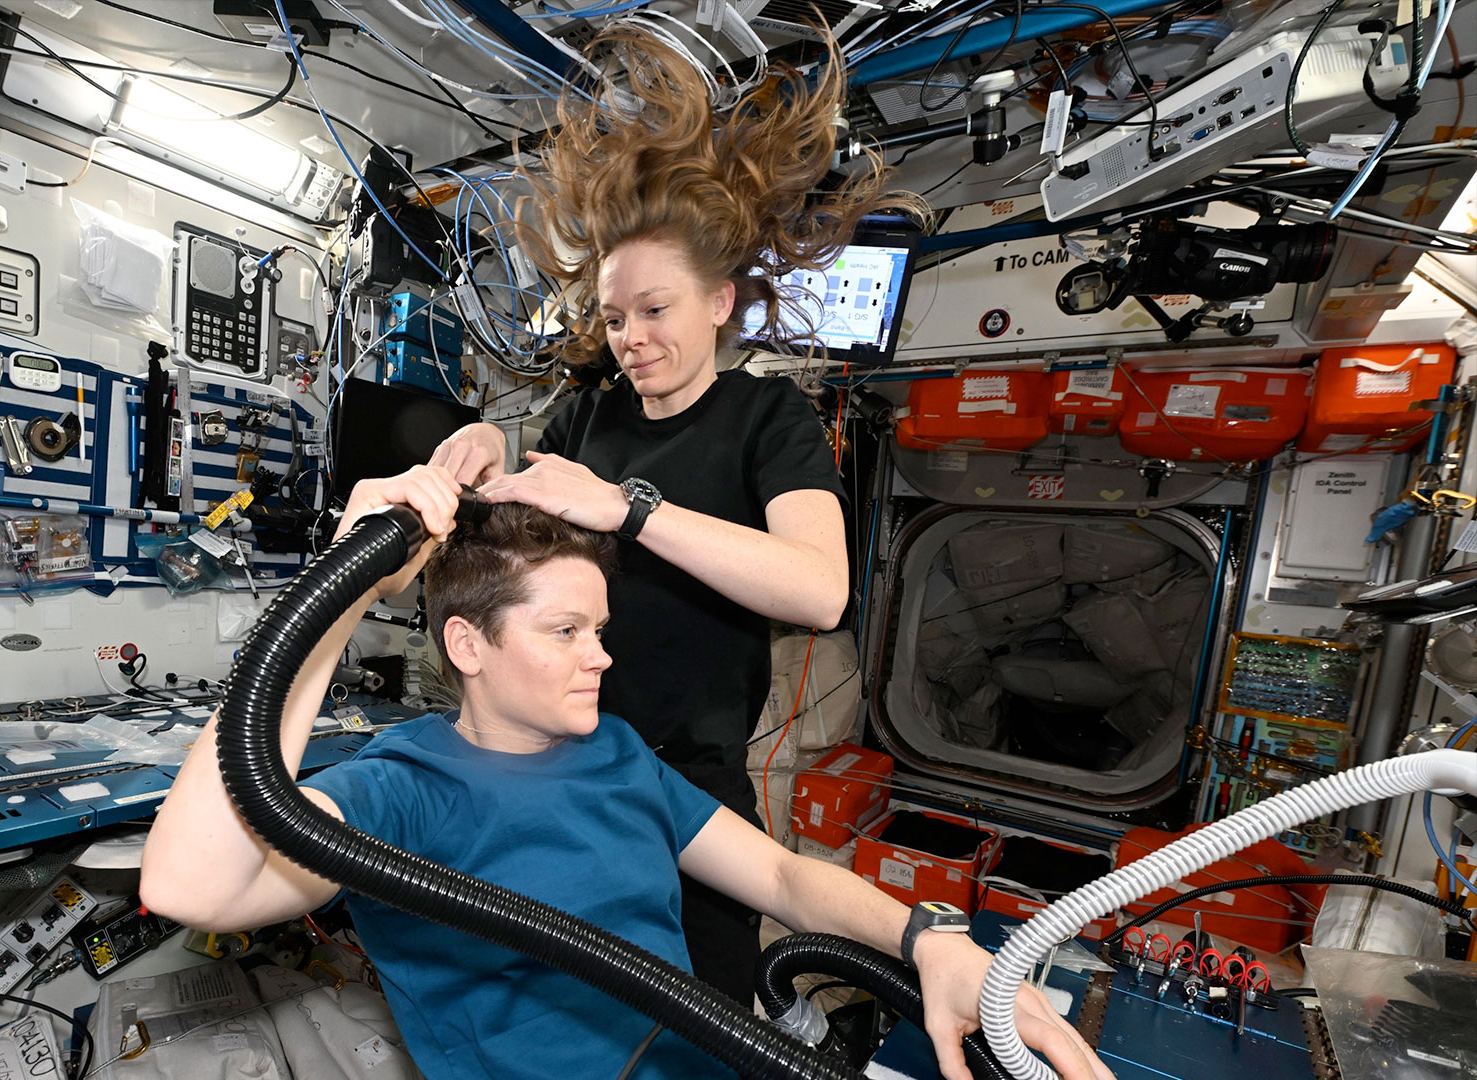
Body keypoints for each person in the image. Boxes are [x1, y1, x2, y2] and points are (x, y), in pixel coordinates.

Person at [139, 465, 1111, 1080]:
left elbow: (776, 876)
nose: (601, 657)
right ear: (468, 645)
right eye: (567, 631)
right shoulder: (399, 788)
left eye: (599, 630)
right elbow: (188, 885)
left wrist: (927, 937)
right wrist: (347, 583)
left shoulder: (612, 751)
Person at [428, 25, 920, 1000]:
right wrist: (485, 452)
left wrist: (627, 506)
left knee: (707, 1006)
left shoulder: (764, 418)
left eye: (653, 310)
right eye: (614, 318)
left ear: (719, 302)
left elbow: (820, 591)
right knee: (558, 994)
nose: (631, 338)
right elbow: (528, 519)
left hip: (692, 785)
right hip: (561, 763)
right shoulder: (589, 413)